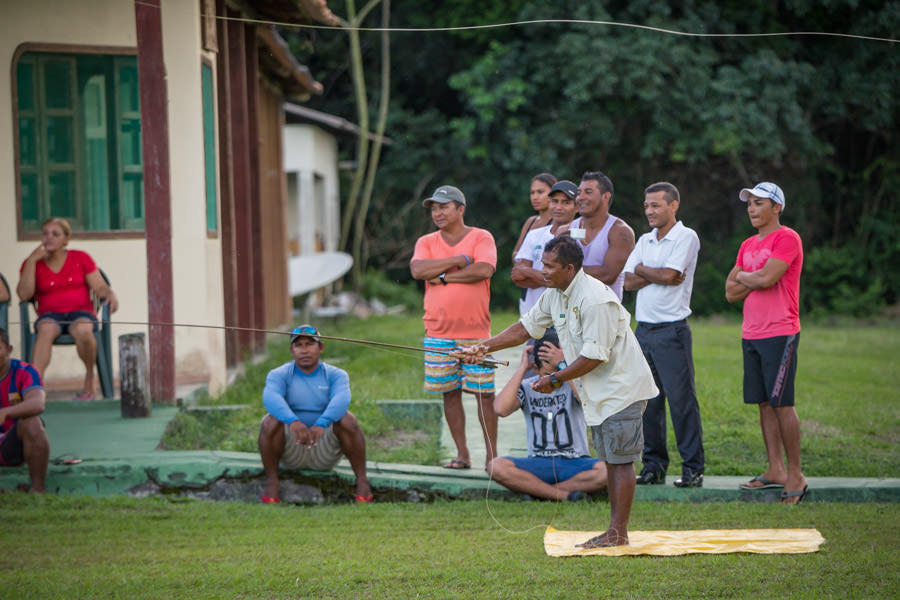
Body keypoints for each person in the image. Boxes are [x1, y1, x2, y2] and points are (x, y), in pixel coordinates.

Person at [459, 236, 658, 547]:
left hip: (622, 387)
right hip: (598, 389)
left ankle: (617, 533)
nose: (543, 272)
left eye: (550, 267)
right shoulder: (555, 293)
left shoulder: (594, 299)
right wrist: (483, 347)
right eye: (542, 265)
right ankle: (614, 531)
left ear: (569, 268)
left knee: (620, 462)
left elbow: (594, 355)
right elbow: (525, 329)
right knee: (611, 460)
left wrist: (555, 379)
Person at [725, 182, 807, 505]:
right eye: (749, 204)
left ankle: (796, 475)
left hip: (781, 331)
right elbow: (729, 293)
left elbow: (765, 279)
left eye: (759, 203)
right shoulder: (747, 244)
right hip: (752, 333)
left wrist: (747, 276)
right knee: (763, 402)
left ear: (777, 208)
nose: (752, 209)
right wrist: (751, 276)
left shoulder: (787, 238)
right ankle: (775, 469)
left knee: (781, 403)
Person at [410, 185, 498, 470]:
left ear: (461, 208)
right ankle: (463, 455)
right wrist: (458, 262)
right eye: (434, 208)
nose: (437, 213)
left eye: (444, 207)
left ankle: (492, 457)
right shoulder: (426, 241)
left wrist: (443, 277)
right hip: (437, 331)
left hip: (476, 332)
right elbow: (418, 271)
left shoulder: (481, 237)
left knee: (484, 394)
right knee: (450, 392)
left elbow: (484, 269)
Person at [624, 182, 705, 488]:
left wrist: (645, 270)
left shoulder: (686, 237)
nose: (649, 211)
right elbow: (628, 281)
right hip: (643, 330)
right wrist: (651, 271)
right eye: (647, 206)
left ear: (674, 206)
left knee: (681, 401)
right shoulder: (644, 239)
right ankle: (654, 466)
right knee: (649, 402)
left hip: (672, 330)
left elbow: (673, 277)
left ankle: (692, 468)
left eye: (656, 205)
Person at [258, 325, 373, 503]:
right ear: (291, 350)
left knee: (348, 419)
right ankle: (272, 483)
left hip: (324, 446)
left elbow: (341, 400)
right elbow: (270, 397)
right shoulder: (278, 374)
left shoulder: (336, 375)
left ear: (321, 347)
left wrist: (322, 423)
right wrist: (293, 421)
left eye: (310, 344)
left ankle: (362, 482)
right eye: (299, 345)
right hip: (291, 447)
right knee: (269, 421)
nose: (304, 350)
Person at [488, 329, 607, 501]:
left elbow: (589, 404)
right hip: (539, 462)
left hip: (575, 461)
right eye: (547, 376)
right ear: (535, 368)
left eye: (556, 376)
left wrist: (564, 367)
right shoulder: (528, 386)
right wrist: (522, 368)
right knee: (495, 466)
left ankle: (538, 492)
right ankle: (564, 495)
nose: (550, 382)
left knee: (608, 470)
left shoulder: (573, 383)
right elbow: (500, 409)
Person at [17, 217, 118, 401]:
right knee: (45, 329)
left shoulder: (80, 258)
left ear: (66, 239)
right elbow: (24, 295)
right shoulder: (32, 263)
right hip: (49, 315)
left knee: (83, 329)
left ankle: (89, 382)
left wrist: (109, 292)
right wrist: (32, 261)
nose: (49, 237)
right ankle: (34, 389)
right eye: (45, 233)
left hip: (81, 312)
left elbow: (99, 286)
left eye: (55, 234)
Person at [562, 171, 635, 300]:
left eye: (588, 192)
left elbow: (608, 275)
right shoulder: (566, 230)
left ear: (605, 196)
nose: (580, 197)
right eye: (579, 193)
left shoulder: (620, 232)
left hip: (604, 314)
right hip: (571, 312)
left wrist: (565, 270)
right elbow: (552, 269)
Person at [511, 180, 579, 316]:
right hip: (532, 314)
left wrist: (528, 272)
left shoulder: (579, 237)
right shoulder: (534, 234)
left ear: (576, 207)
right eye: (555, 201)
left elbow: (569, 281)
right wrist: (552, 279)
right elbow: (517, 276)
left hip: (564, 316)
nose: (559, 207)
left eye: (566, 202)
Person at [0, 327, 49, 493]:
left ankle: (37, 491)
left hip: (10, 443)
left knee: (32, 421)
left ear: (9, 349)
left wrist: (5, 412)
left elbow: (37, 404)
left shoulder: (25, 371)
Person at [511, 173, 558, 260]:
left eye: (540, 192)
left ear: (554, 193)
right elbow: (516, 252)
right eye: (532, 193)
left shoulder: (558, 223)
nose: (535, 197)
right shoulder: (530, 222)